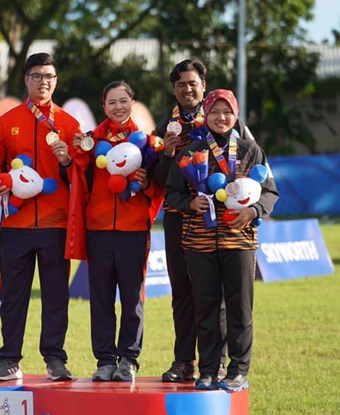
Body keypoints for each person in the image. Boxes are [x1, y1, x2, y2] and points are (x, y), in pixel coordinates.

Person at [165, 89, 278, 392]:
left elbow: (269, 192)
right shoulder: (191, 151)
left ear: (236, 115)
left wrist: (253, 210)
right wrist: (190, 205)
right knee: (207, 308)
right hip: (199, 243)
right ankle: (208, 370)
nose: (221, 117)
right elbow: (171, 194)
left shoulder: (251, 151)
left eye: (227, 111)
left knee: (240, 308)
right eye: (214, 111)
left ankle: (238, 370)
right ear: (206, 115)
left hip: (239, 241)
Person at [153, 59, 254, 383]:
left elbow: (255, 171)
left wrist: (251, 209)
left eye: (192, 82)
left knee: (218, 296)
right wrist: (166, 155)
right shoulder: (163, 126)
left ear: (203, 86)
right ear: (174, 89)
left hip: (225, 225)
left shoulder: (227, 121)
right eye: (180, 83)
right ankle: (185, 362)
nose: (187, 88)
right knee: (184, 293)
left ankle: (219, 365)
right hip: (180, 219)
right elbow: (156, 182)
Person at [0, 52, 81, 382]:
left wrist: (68, 161)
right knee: (13, 296)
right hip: (15, 225)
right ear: (26, 79)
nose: (44, 82)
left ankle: (55, 358)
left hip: (55, 225)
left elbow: (81, 177)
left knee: (56, 295)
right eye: (38, 76)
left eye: (50, 77)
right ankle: (9, 358)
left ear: (56, 81)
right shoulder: (5, 122)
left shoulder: (69, 125)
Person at [71, 81, 163, 382]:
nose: (118, 107)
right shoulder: (90, 141)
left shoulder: (148, 143)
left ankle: (129, 359)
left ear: (132, 103)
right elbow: (76, 179)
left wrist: (146, 182)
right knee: (100, 298)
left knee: (132, 298)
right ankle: (105, 359)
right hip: (98, 230)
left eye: (123, 101)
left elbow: (158, 186)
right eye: (112, 102)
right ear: (104, 106)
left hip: (133, 229)